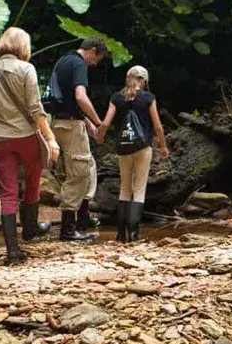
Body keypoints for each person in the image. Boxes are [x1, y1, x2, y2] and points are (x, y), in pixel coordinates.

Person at [0, 27, 61, 265]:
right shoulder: (27, 69)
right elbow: (35, 108)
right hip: (26, 137)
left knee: (8, 193)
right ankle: (30, 229)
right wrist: (50, 137)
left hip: (1, 139)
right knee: (34, 178)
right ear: (22, 47)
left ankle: (12, 251)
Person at [45, 36, 108, 241]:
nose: (94, 63)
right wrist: (99, 122)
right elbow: (80, 97)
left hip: (57, 123)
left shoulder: (63, 60)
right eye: (96, 58)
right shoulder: (79, 64)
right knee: (79, 173)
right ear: (91, 50)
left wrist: (88, 124)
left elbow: (68, 99)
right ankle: (68, 229)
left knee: (85, 166)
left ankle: (82, 216)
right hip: (71, 127)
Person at [97, 65, 168, 242]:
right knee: (139, 189)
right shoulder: (148, 98)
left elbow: (105, 123)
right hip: (142, 148)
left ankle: (120, 234)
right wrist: (163, 146)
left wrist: (100, 136)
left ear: (128, 78)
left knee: (124, 188)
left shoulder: (116, 98)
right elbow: (157, 126)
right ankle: (134, 234)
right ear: (143, 81)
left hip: (123, 148)